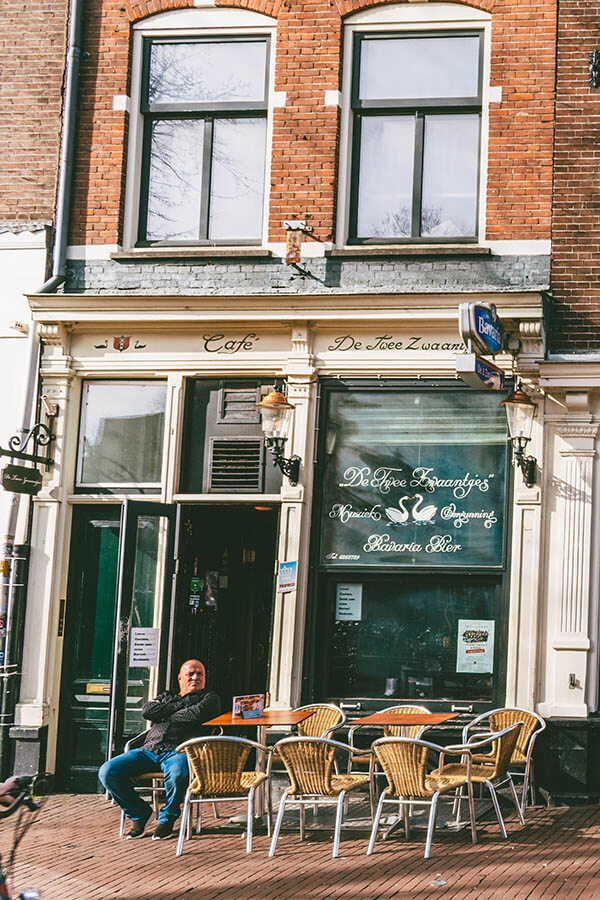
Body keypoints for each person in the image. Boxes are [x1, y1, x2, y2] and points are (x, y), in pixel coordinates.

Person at [99, 659, 220, 840]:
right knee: (107, 771)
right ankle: (139, 814)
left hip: (179, 751)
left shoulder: (209, 698)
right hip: (149, 749)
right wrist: (180, 705)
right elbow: (148, 711)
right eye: (190, 674)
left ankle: (167, 820)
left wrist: (164, 712)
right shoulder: (166, 695)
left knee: (178, 774)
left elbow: (195, 715)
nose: (195, 677)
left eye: (200, 674)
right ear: (180, 678)